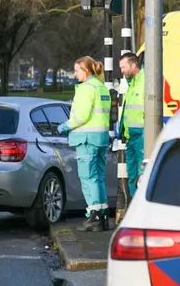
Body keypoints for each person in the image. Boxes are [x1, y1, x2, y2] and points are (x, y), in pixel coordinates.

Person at [57, 56, 111, 232]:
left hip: (86, 139)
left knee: (88, 177)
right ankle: (102, 215)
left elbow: (80, 116)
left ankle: (94, 216)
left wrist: (64, 126)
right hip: (101, 138)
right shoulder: (102, 87)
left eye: (77, 70)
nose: (75, 74)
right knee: (99, 177)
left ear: (86, 71)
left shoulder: (85, 89)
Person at [117, 53, 145, 200]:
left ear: (134, 65)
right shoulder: (132, 83)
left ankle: (141, 207)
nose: (121, 71)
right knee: (133, 175)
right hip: (130, 137)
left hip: (142, 135)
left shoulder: (145, 81)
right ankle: (135, 205)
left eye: (124, 67)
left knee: (142, 174)